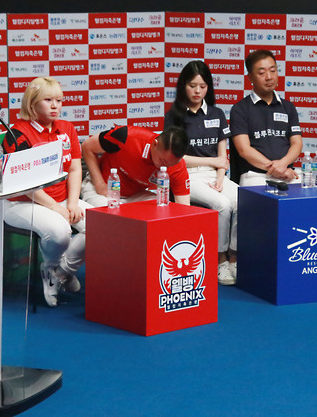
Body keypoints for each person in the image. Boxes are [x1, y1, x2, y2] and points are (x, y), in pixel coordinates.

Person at [2, 77, 92, 307]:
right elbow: (24, 182)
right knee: (60, 232)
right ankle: (53, 269)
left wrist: (72, 203)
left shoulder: (67, 128)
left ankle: (59, 272)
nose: (55, 106)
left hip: (62, 198)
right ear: (32, 103)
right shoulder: (17, 134)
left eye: (59, 101)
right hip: (23, 202)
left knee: (102, 226)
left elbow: (74, 168)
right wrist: (54, 207)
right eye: (48, 100)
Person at [165, 60, 238, 285]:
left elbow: (223, 155)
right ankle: (219, 260)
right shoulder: (174, 116)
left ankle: (234, 257)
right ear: (183, 86)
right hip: (188, 176)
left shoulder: (217, 113)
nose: (197, 91)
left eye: (203, 86)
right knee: (222, 205)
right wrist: (214, 161)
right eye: (192, 86)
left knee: (244, 199)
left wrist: (220, 178)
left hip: (216, 174)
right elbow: (176, 158)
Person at [230, 50, 303, 186]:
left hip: (287, 172)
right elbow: (244, 150)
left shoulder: (288, 107)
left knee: (309, 191)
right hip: (254, 176)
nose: (269, 77)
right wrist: (275, 169)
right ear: (250, 77)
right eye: (262, 73)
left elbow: (297, 143)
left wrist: (283, 164)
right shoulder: (240, 109)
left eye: (273, 71)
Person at [81, 125, 190, 207]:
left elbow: (184, 209)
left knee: (163, 210)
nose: (165, 167)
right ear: (154, 144)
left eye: (171, 163)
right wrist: (99, 184)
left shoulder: (178, 167)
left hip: (135, 196)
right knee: (112, 221)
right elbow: (87, 146)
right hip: (101, 191)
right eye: (163, 161)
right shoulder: (127, 137)